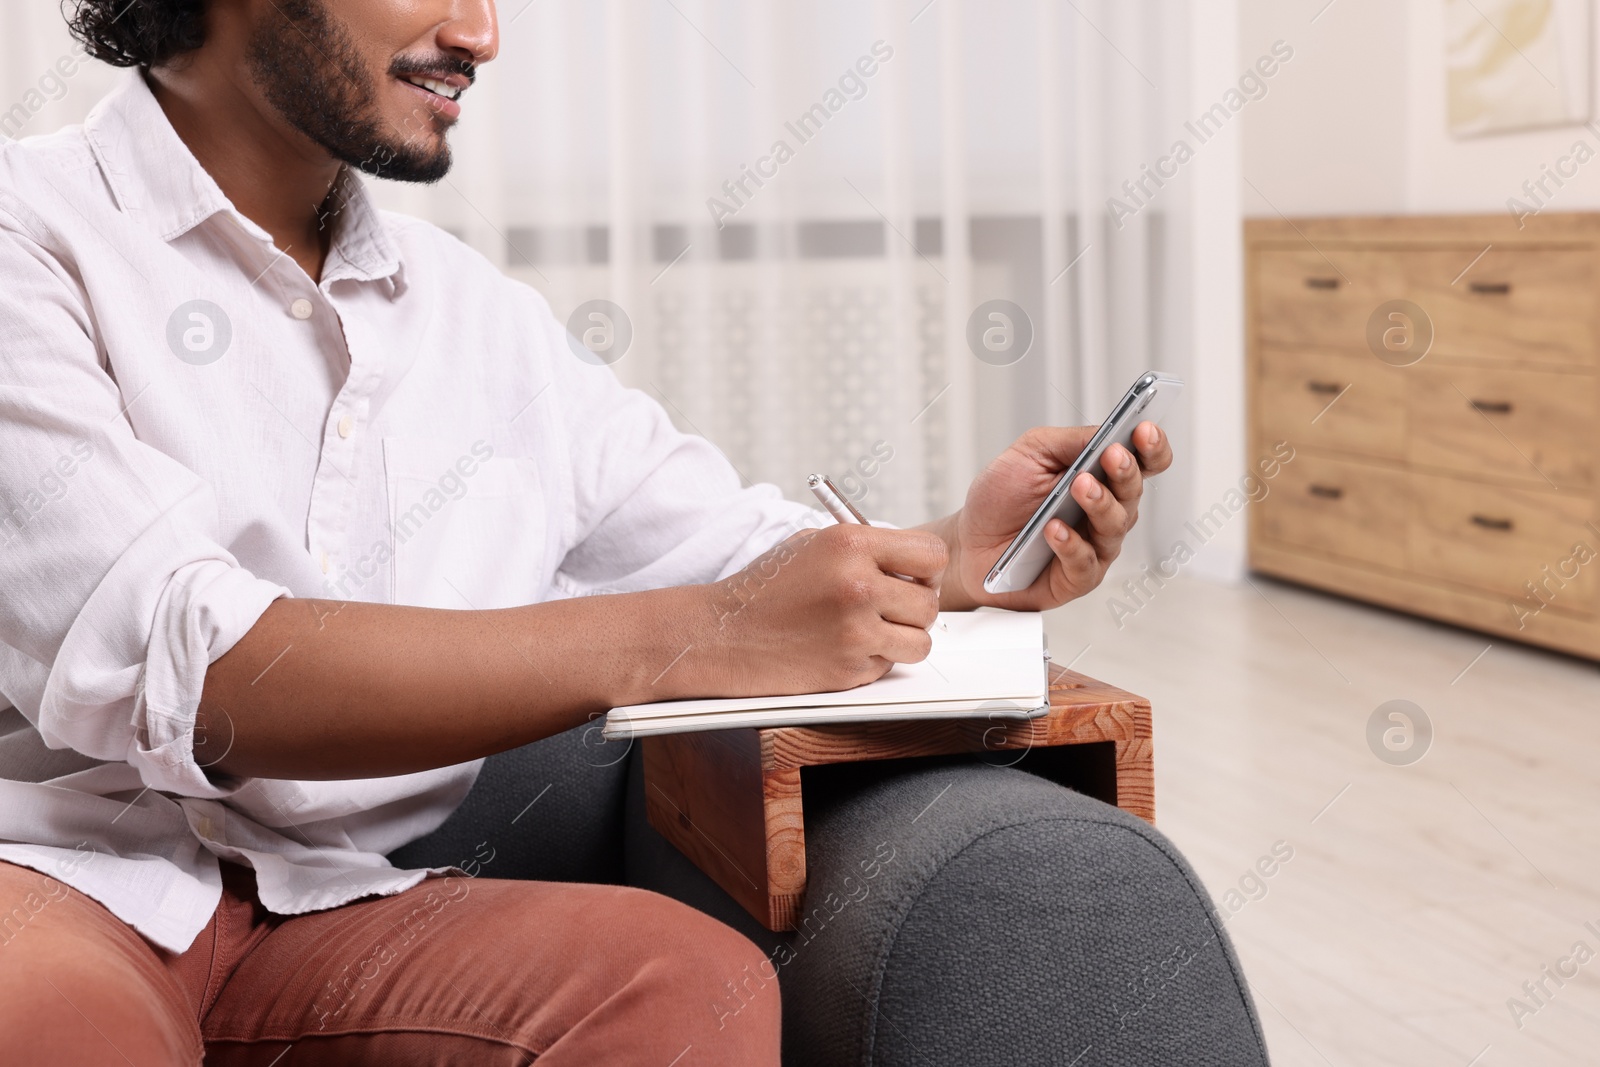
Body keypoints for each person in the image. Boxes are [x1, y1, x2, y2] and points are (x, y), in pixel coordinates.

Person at [0, 1, 1171, 1063]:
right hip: (48, 876)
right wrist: (693, 636)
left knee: (682, 987)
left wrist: (957, 554)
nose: (482, 33)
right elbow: (204, 667)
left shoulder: (476, 316)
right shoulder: (26, 231)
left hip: (327, 896)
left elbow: (724, 549)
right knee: (50, 1024)